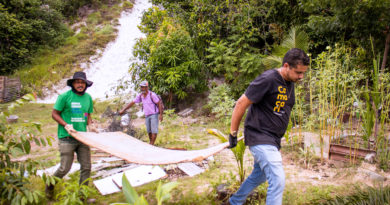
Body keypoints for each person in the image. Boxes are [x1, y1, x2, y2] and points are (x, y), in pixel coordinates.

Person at [227, 48, 310, 205]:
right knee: (278, 180)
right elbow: (241, 103)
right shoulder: (268, 79)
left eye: (303, 73)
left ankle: (234, 202)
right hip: (260, 136)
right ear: (286, 66)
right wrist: (233, 133)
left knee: (259, 175)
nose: (301, 77)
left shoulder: (289, 82)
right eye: (298, 72)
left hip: (272, 139)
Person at [46, 71, 98, 200]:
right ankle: (50, 186)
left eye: (82, 82)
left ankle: (82, 197)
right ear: (73, 84)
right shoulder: (64, 97)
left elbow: (86, 113)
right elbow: (54, 114)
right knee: (64, 168)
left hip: (82, 137)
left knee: (86, 167)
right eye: (77, 82)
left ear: (86, 84)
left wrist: (90, 124)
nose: (80, 85)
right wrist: (66, 125)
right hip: (67, 137)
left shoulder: (88, 98)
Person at [119, 81, 163, 145]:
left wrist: (161, 115)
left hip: (154, 114)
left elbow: (159, 103)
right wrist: (123, 110)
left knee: (154, 130)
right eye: (142, 87)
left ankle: (152, 144)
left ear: (147, 87)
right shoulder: (140, 96)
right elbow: (132, 102)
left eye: (144, 87)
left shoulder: (152, 95)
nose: (143, 89)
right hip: (147, 115)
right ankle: (151, 143)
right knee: (149, 130)